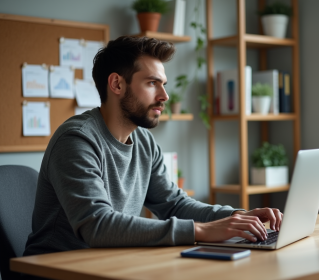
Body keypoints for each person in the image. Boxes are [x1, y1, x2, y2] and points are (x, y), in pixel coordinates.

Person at [23, 36, 283, 256]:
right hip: (57, 270)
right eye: (152, 83)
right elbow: (97, 225)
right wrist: (201, 230)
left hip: (109, 264)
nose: (165, 96)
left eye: (163, 84)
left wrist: (239, 217)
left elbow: (174, 204)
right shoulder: (76, 141)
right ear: (116, 84)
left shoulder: (144, 141)